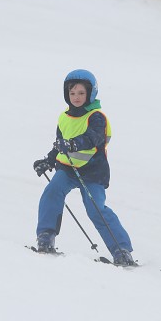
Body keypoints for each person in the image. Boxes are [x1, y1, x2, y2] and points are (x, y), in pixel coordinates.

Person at [33, 69, 136, 266]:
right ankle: (45, 237)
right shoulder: (64, 117)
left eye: (81, 93)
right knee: (52, 192)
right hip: (68, 169)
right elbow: (59, 143)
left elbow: (93, 138)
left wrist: (73, 144)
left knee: (95, 208)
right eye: (72, 93)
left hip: (93, 171)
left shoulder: (97, 117)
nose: (76, 97)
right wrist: (49, 159)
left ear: (90, 93)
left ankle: (121, 250)